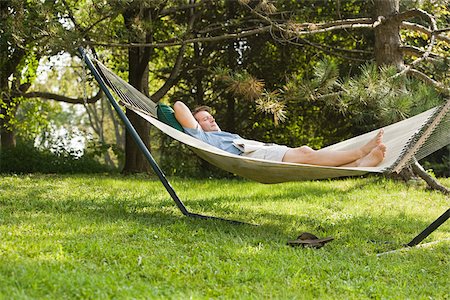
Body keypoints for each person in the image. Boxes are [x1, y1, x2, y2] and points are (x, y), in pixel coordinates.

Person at [173, 101, 386, 167]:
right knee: (305, 153)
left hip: (262, 150)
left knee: (307, 155)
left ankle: (360, 164)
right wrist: (196, 124)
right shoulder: (201, 137)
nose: (211, 119)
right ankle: (359, 153)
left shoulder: (222, 135)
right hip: (252, 157)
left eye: (211, 117)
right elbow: (178, 105)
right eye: (205, 119)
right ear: (196, 125)